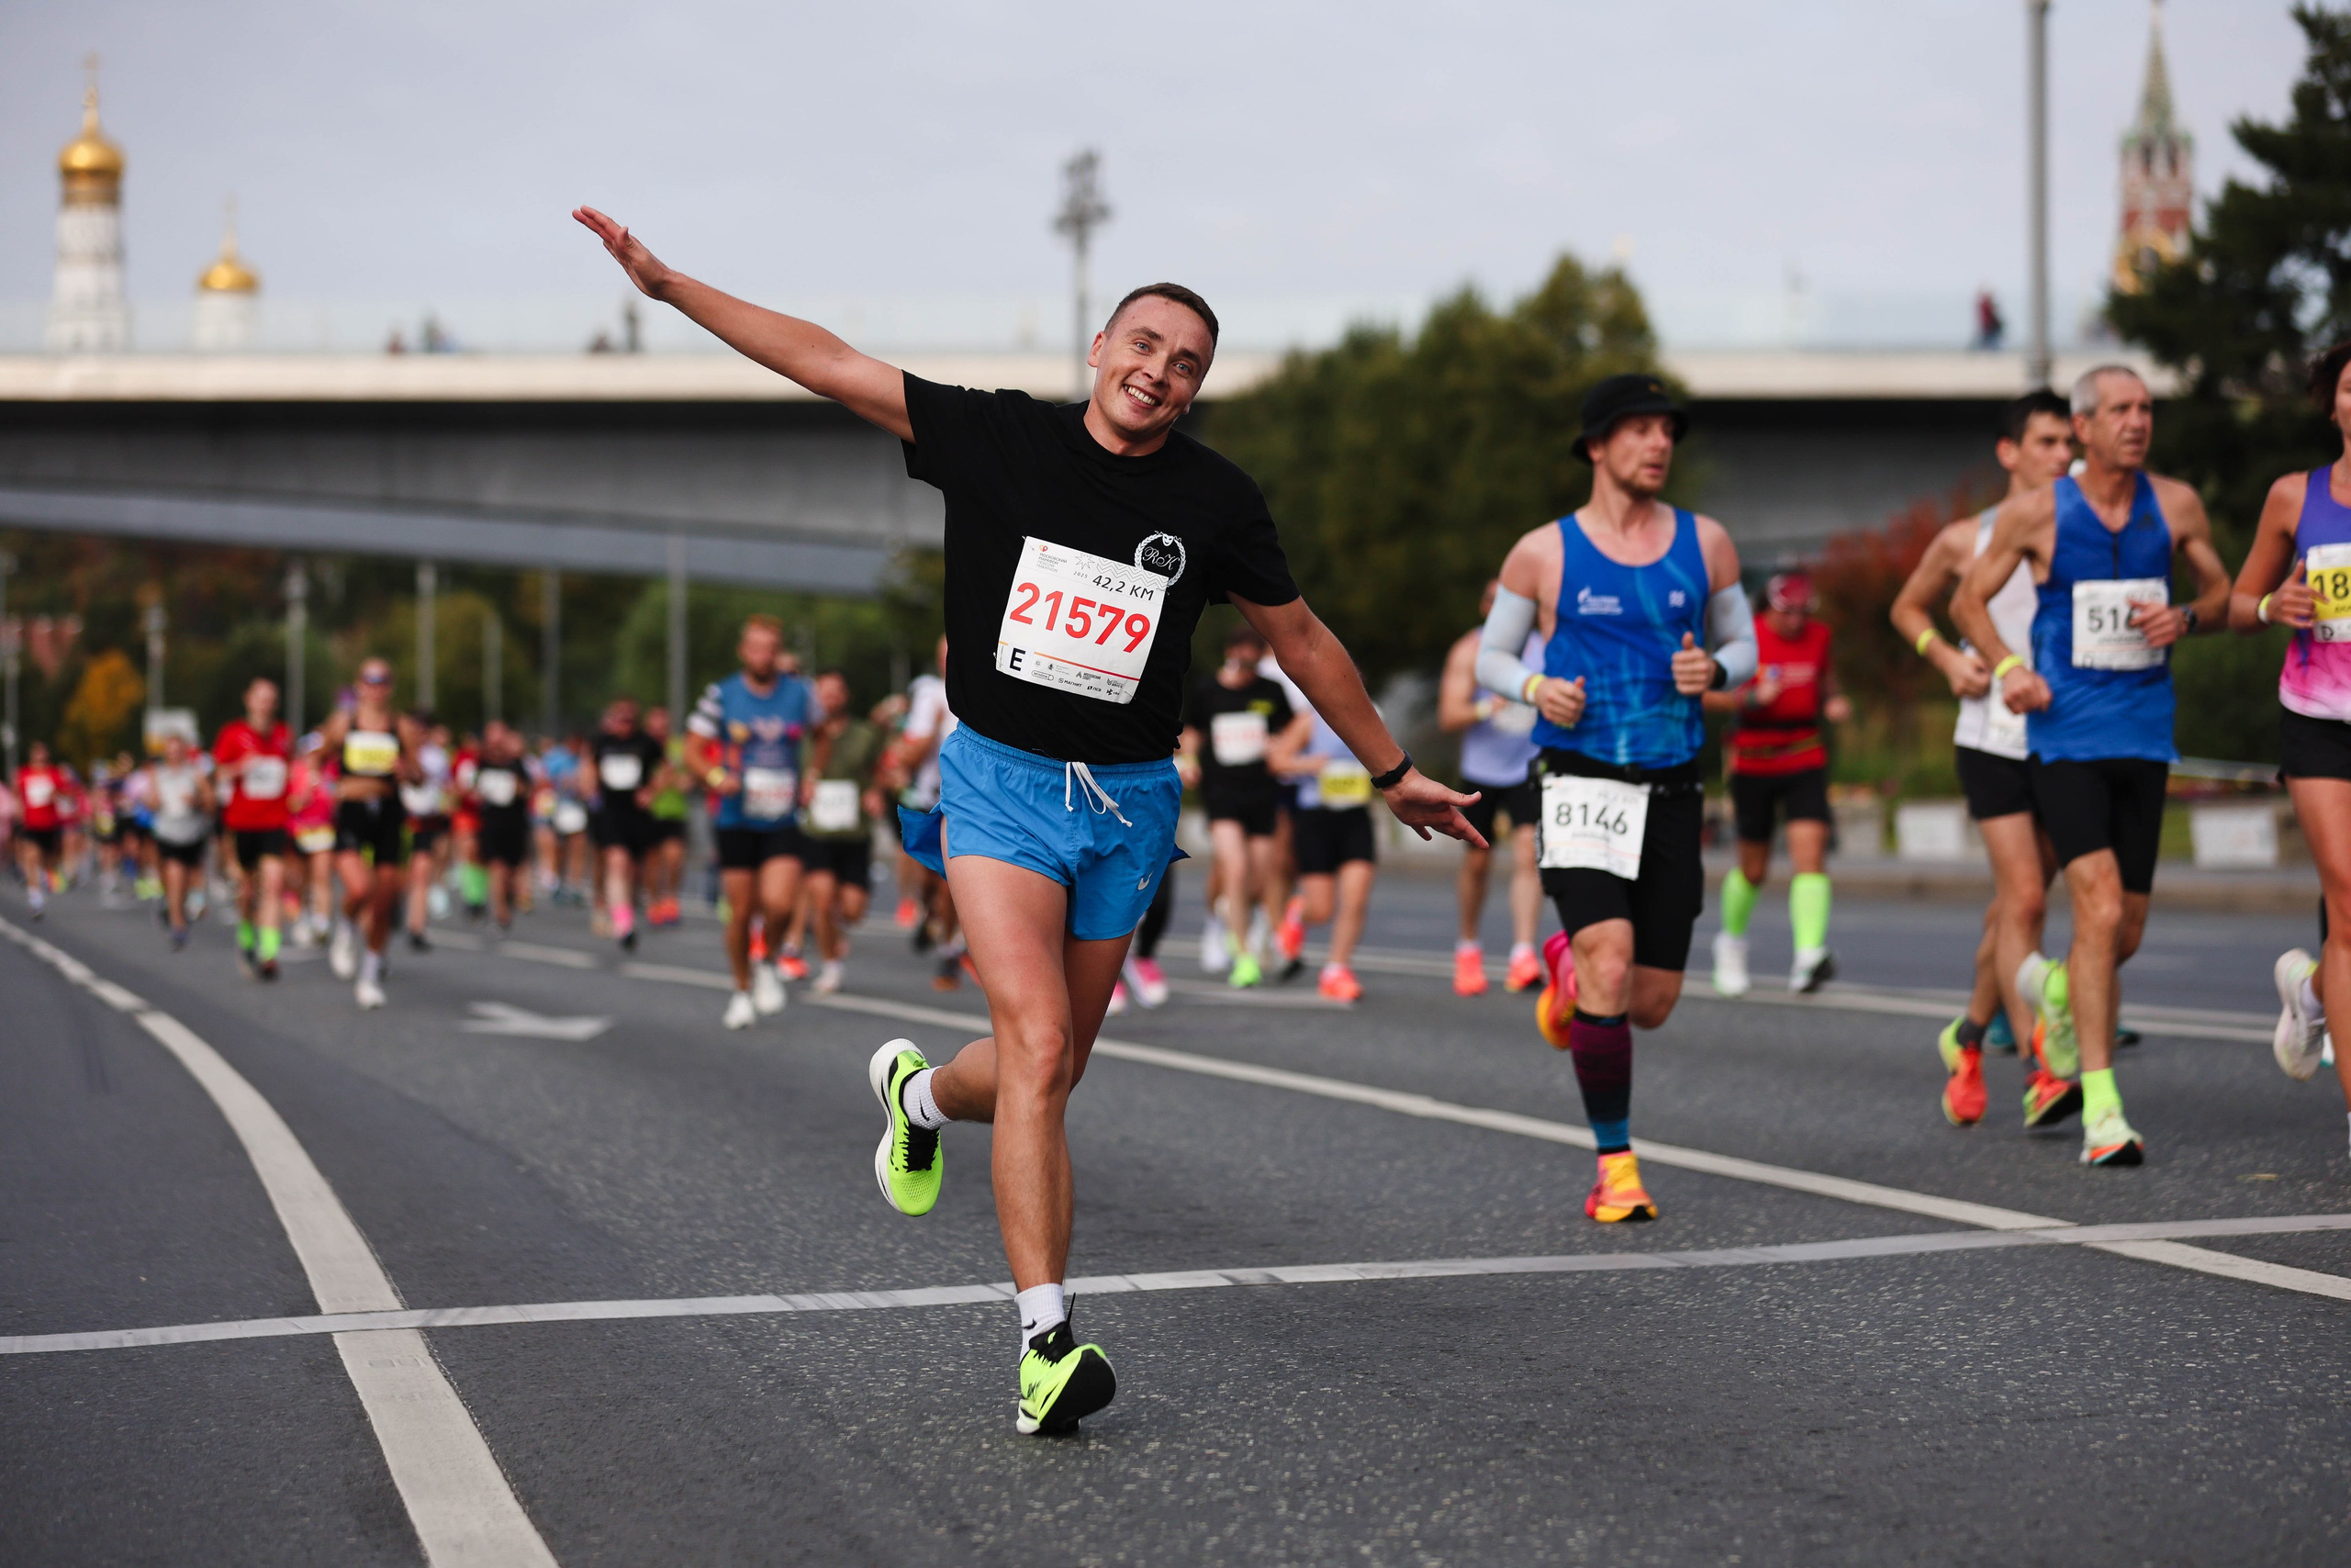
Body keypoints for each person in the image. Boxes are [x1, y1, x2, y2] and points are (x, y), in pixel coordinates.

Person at [578, 205, 1478, 1434]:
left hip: (1130, 808)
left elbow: (1301, 639)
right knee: (1043, 1048)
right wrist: (672, 287)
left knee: (1043, 1068)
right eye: (1144, 345)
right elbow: (829, 361)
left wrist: (1391, 770)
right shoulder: (998, 436)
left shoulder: (1216, 500)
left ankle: (921, 1101)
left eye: (1186, 365)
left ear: (1193, 390)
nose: (1158, 372)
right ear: (1101, 344)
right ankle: (1043, 1343)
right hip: (998, 783)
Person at [1475, 373, 1757, 1223]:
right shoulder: (1543, 551)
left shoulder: (1705, 542)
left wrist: (1716, 670)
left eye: (1666, 430)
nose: (1658, 444)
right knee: (1608, 957)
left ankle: (1562, 970)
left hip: (1672, 783)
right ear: (1596, 446)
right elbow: (1491, 657)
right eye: (1638, 430)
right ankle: (1615, 1164)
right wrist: (1532, 685)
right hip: (1580, 781)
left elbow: (1744, 644)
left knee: (1650, 1002)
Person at [1953, 364, 2232, 1167]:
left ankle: (2059, 995)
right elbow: (1967, 602)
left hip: (2144, 735)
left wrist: (2183, 615)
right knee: (2099, 911)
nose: (2137, 422)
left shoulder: (2174, 504)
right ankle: (2102, 1112)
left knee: (2125, 934)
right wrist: (2009, 670)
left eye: (2145, 409)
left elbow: (2223, 595)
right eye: (2119, 410)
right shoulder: (2035, 511)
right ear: (2083, 426)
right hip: (2063, 735)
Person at [1889, 388, 2076, 1126]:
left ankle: (1967, 1036)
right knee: (2025, 899)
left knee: (2011, 908)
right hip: (1990, 737)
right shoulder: (1964, 538)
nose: (2062, 456)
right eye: (2046, 442)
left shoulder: (2089, 530)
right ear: (2009, 452)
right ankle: (2042, 1069)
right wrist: (1941, 658)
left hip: (2066, 737)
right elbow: (1906, 607)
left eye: (2069, 443)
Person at [2231, 337, 2351, 1150]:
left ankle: (2309, 992)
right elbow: (2238, 601)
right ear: (2331, 400)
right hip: (2317, 717)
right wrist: (2275, 606)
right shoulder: (2292, 497)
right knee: (2348, 905)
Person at [1705, 568, 1853, 996]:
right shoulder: (1743, 639)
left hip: (1805, 753)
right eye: (1788, 613)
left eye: (1803, 613)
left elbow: (1826, 680)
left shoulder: (1819, 637)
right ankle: (1730, 944)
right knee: (1754, 868)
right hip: (1753, 760)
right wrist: (1749, 698)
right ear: (1769, 608)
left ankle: (1808, 956)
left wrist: (1835, 700)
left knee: (1811, 854)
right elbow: (1703, 692)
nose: (1796, 622)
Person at [688, 614, 817, 1028]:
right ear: (744, 652)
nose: (764, 657)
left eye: (771, 649)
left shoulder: (800, 693)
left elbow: (826, 733)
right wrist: (714, 776)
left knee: (780, 903)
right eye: (756, 648)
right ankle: (741, 990)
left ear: (779, 653)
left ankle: (767, 960)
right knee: (740, 913)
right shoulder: (722, 695)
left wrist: (812, 774)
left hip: (782, 815)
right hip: (736, 817)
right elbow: (692, 748)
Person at [1439, 579, 1548, 996]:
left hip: (1527, 768)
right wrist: (1488, 706)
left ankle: (1523, 953)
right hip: (1481, 771)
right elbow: (1449, 715)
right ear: (1485, 608)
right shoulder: (1470, 651)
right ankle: (1468, 947)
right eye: (1497, 602)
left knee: (1528, 855)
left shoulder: (1543, 650)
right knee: (1478, 864)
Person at [1178, 624, 1294, 989]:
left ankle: (1233, 911)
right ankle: (1243, 955)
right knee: (1236, 866)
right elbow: (1191, 731)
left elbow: (1290, 731)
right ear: (1230, 653)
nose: (1246, 662)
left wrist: (1281, 746)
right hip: (1221, 791)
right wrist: (1191, 758)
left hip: (1261, 792)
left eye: (1253, 655)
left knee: (1260, 876)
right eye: (1240, 654)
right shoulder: (1207, 690)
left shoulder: (1271, 691)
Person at [318, 661, 422, 1009]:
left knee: (384, 899)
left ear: (390, 687)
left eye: (383, 681)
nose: (376, 687)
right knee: (360, 888)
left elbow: (420, 774)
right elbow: (314, 758)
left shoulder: (401, 726)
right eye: (370, 680)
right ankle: (345, 927)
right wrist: (321, 786)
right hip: (352, 811)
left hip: (389, 813)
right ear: (359, 685)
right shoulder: (343, 723)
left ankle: (369, 976)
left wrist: (408, 771)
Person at [1267, 694, 1382, 1002]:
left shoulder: (1371, 718)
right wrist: (1308, 764)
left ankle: (1337, 969)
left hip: (1356, 817)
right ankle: (1297, 914)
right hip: (1315, 819)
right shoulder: (1310, 720)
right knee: (1321, 909)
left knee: (1356, 898)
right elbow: (1277, 760)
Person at [800, 669, 889, 994]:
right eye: (824, 692)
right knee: (822, 899)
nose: (831, 698)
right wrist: (802, 787)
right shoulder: (804, 735)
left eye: (836, 691)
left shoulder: (864, 734)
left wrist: (876, 791)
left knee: (852, 910)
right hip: (816, 831)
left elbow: (880, 769)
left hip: (854, 833)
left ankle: (836, 930)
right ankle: (831, 965)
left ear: (846, 696)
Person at [893, 638, 967, 988]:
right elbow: (911, 750)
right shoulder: (930, 695)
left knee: (949, 883)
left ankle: (949, 952)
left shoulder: (977, 693)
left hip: (964, 802)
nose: (948, 662)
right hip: (927, 796)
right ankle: (930, 913)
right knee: (926, 882)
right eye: (943, 656)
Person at [214, 677, 295, 980]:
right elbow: (218, 773)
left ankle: (269, 954)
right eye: (261, 698)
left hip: (274, 823)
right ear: (248, 700)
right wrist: (240, 767)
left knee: (273, 884)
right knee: (247, 890)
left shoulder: (284, 735)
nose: (266, 705)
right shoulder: (233, 734)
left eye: (272, 699)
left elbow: (291, 771)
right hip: (241, 823)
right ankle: (247, 934)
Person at [588, 697, 664, 952]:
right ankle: (623, 924)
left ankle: (627, 908)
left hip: (637, 814)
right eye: (620, 717)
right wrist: (589, 791)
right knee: (616, 862)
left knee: (634, 869)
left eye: (630, 718)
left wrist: (652, 791)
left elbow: (666, 769)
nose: (625, 723)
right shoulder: (601, 743)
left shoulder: (646, 743)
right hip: (611, 812)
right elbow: (588, 769)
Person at [149, 731, 215, 949]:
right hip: (167, 833)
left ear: (184, 752)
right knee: (175, 875)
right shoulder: (157, 774)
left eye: (178, 751)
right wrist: (154, 801)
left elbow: (210, 802)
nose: (174, 755)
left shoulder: (195, 774)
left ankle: (180, 908)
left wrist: (196, 800)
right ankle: (178, 925)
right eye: (170, 751)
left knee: (187, 878)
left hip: (192, 832)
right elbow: (150, 801)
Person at [472, 720, 537, 932]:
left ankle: (510, 898)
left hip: (515, 823)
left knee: (512, 868)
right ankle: (501, 913)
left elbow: (527, 790)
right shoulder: (481, 762)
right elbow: (471, 790)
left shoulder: (516, 764)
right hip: (492, 822)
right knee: (497, 866)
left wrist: (515, 786)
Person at [399, 717, 453, 952]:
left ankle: (417, 927)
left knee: (422, 874)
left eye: (422, 731)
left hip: (426, 822)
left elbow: (446, 787)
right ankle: (391, 911)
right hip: (400, 823)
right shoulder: (396, 753)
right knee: (397, 878)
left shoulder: (436, 756)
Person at [643, 704, 691, 926]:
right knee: (652, 862)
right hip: (649, 813)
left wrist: (677, 779)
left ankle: (670, 898)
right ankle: (653, 900)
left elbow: (688, 779)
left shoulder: (678, 748)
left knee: (674, 858)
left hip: (674, 811)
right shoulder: (642, 748)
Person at [14, 741, 66, 916]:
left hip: (50, 823)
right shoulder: (23, 773)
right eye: (36, 752)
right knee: (31, 857)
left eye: (42, 752)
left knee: (48, 860)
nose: (40, 756)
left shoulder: (54, 773)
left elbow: (64, 793)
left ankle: (47, 876)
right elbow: (18, 795)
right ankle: (35, 899)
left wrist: (55, 794)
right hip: (31, 823)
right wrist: (19, 812)